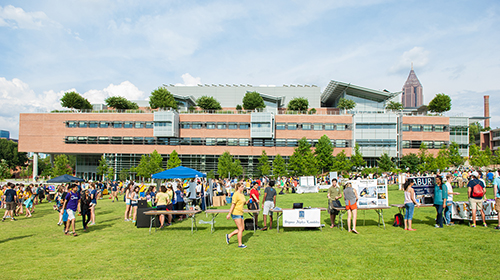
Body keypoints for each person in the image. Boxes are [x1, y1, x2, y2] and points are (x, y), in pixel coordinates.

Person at [226, 182, 248, 248]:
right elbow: (233, 204)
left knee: (242, 229)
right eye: (241, 186)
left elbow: (242, 203)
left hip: (241, 213)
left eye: (243, 186)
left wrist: (247, 202)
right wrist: (229, 214)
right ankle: (240, 244)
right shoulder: (236, 194)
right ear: (238, 187)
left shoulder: (242, 194)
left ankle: (229, 235)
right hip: (236, 213)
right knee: (240, 229)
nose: (243, 188)